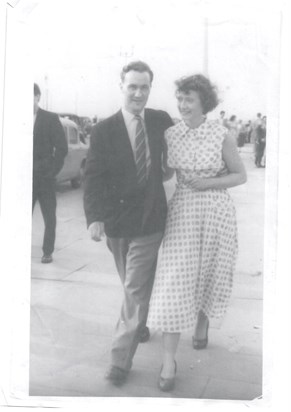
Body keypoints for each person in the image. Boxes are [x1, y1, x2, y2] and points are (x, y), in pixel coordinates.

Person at [147, 74, 247, 392]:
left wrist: (209, 183)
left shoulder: (222, 135)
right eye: (180, 98)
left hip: (216, 211)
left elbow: (239, 175)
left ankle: (202, 324)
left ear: (204, 102)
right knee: (174, 281)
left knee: (210, 272)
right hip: (183, 211)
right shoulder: (170, 134)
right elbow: (166, 171)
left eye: (189, 99)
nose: (183, 104)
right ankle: (168, 362)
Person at [83, 61, 173, 386]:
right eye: (132, 86)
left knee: (134, 288)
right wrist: (94, 218)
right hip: (117, 224)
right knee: (132, 287)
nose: (138, 93)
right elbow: (92, 176)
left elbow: (184, 141)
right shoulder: (103, 130)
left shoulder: (161, 120)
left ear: (151, 88)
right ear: (121, 85)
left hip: (151, 220)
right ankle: (141, 322)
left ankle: (120, 361)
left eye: (144, 87)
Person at [33, 83, 68, 263]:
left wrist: (52, 171)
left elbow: (62, 148)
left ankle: (48, 251)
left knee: (49, 217)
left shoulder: (49, 118)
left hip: (45, 177)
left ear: (37, 96)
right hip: (23, 180)